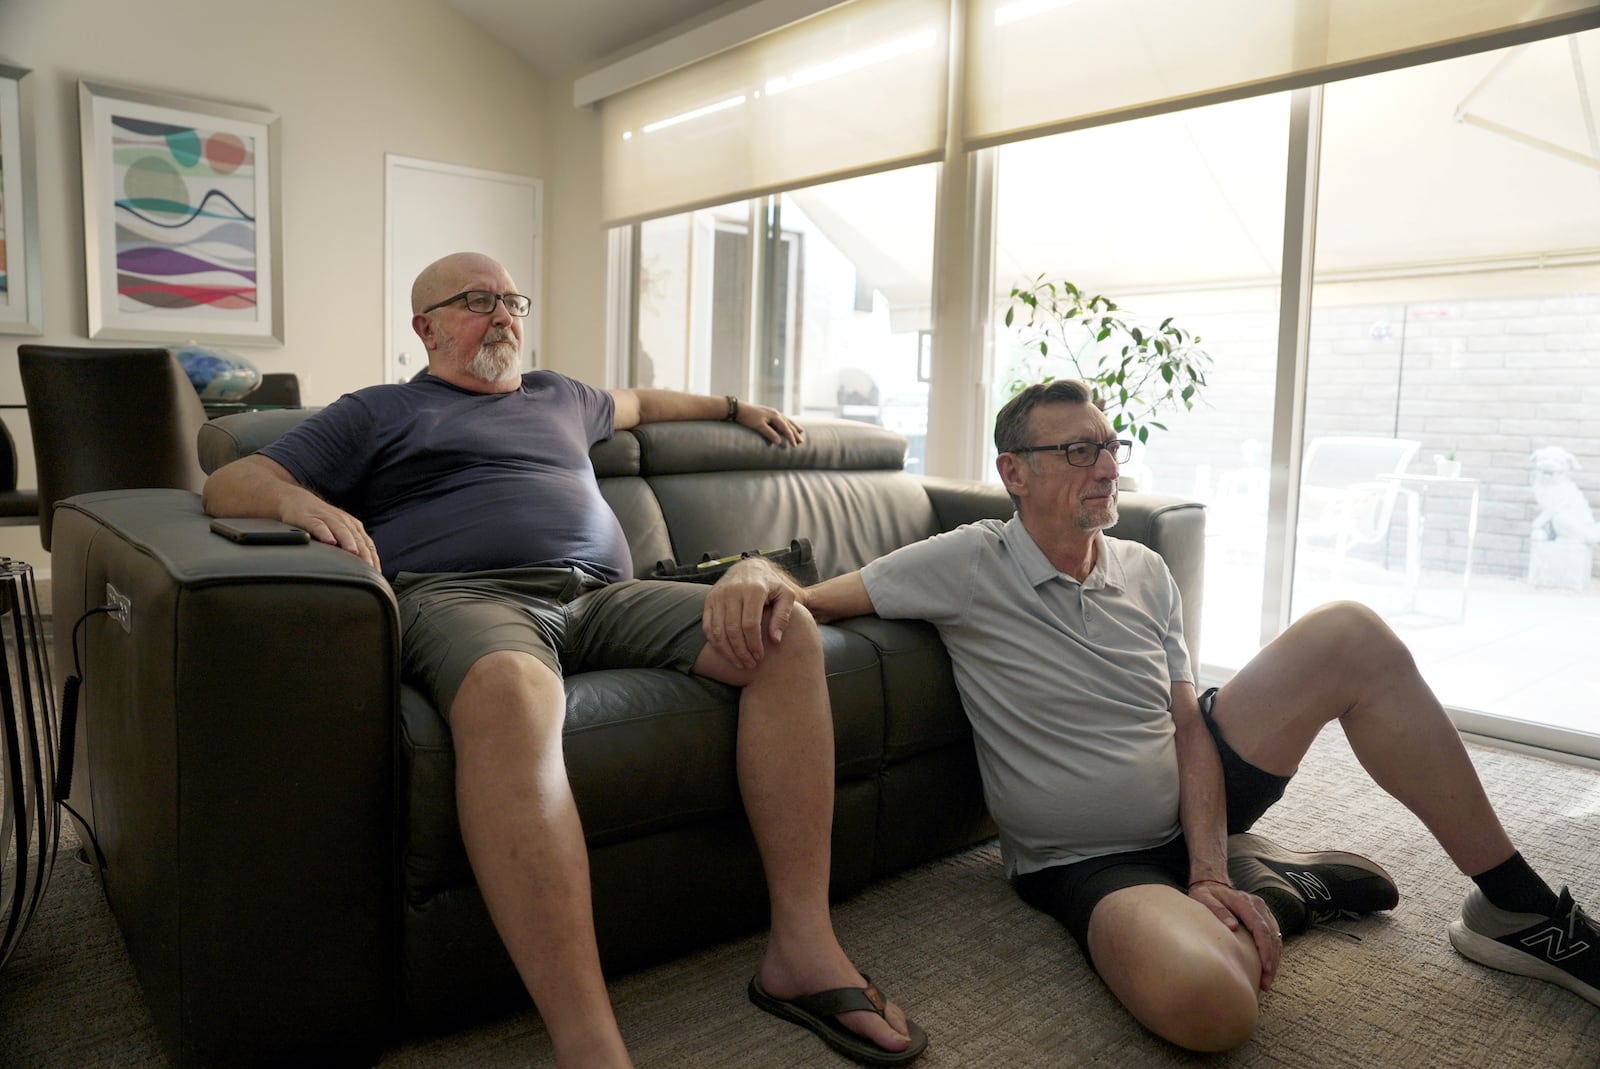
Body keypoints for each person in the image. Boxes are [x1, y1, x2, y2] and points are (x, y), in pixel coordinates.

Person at [703, 378, 1600, 1052]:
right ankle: (1289, 893)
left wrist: (1209, 867)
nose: (1106, 466)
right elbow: (806, 601)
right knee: (1213, 1011)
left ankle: (1518, 908)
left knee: (1352, 634)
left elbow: (1185, 724)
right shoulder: (963, 562)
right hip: (1091, 859)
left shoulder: (1144, 569)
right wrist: (750, 571)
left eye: (1108, 445)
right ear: (1012, 474)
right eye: (1076, 452)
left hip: (1200, 790)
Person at [202, 251, 927, 1069]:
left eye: (511, 299)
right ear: (427, 327)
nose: (504, 313)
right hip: (466, 595)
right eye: (478, 301)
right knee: (511, 690)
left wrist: (736, 405)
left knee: (782, 626)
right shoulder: (381, 411)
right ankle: (589, 1046)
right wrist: (302, 501)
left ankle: (803, 949)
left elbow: (646, 401)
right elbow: (235, 479)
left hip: (605, 595)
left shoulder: (559, 394)